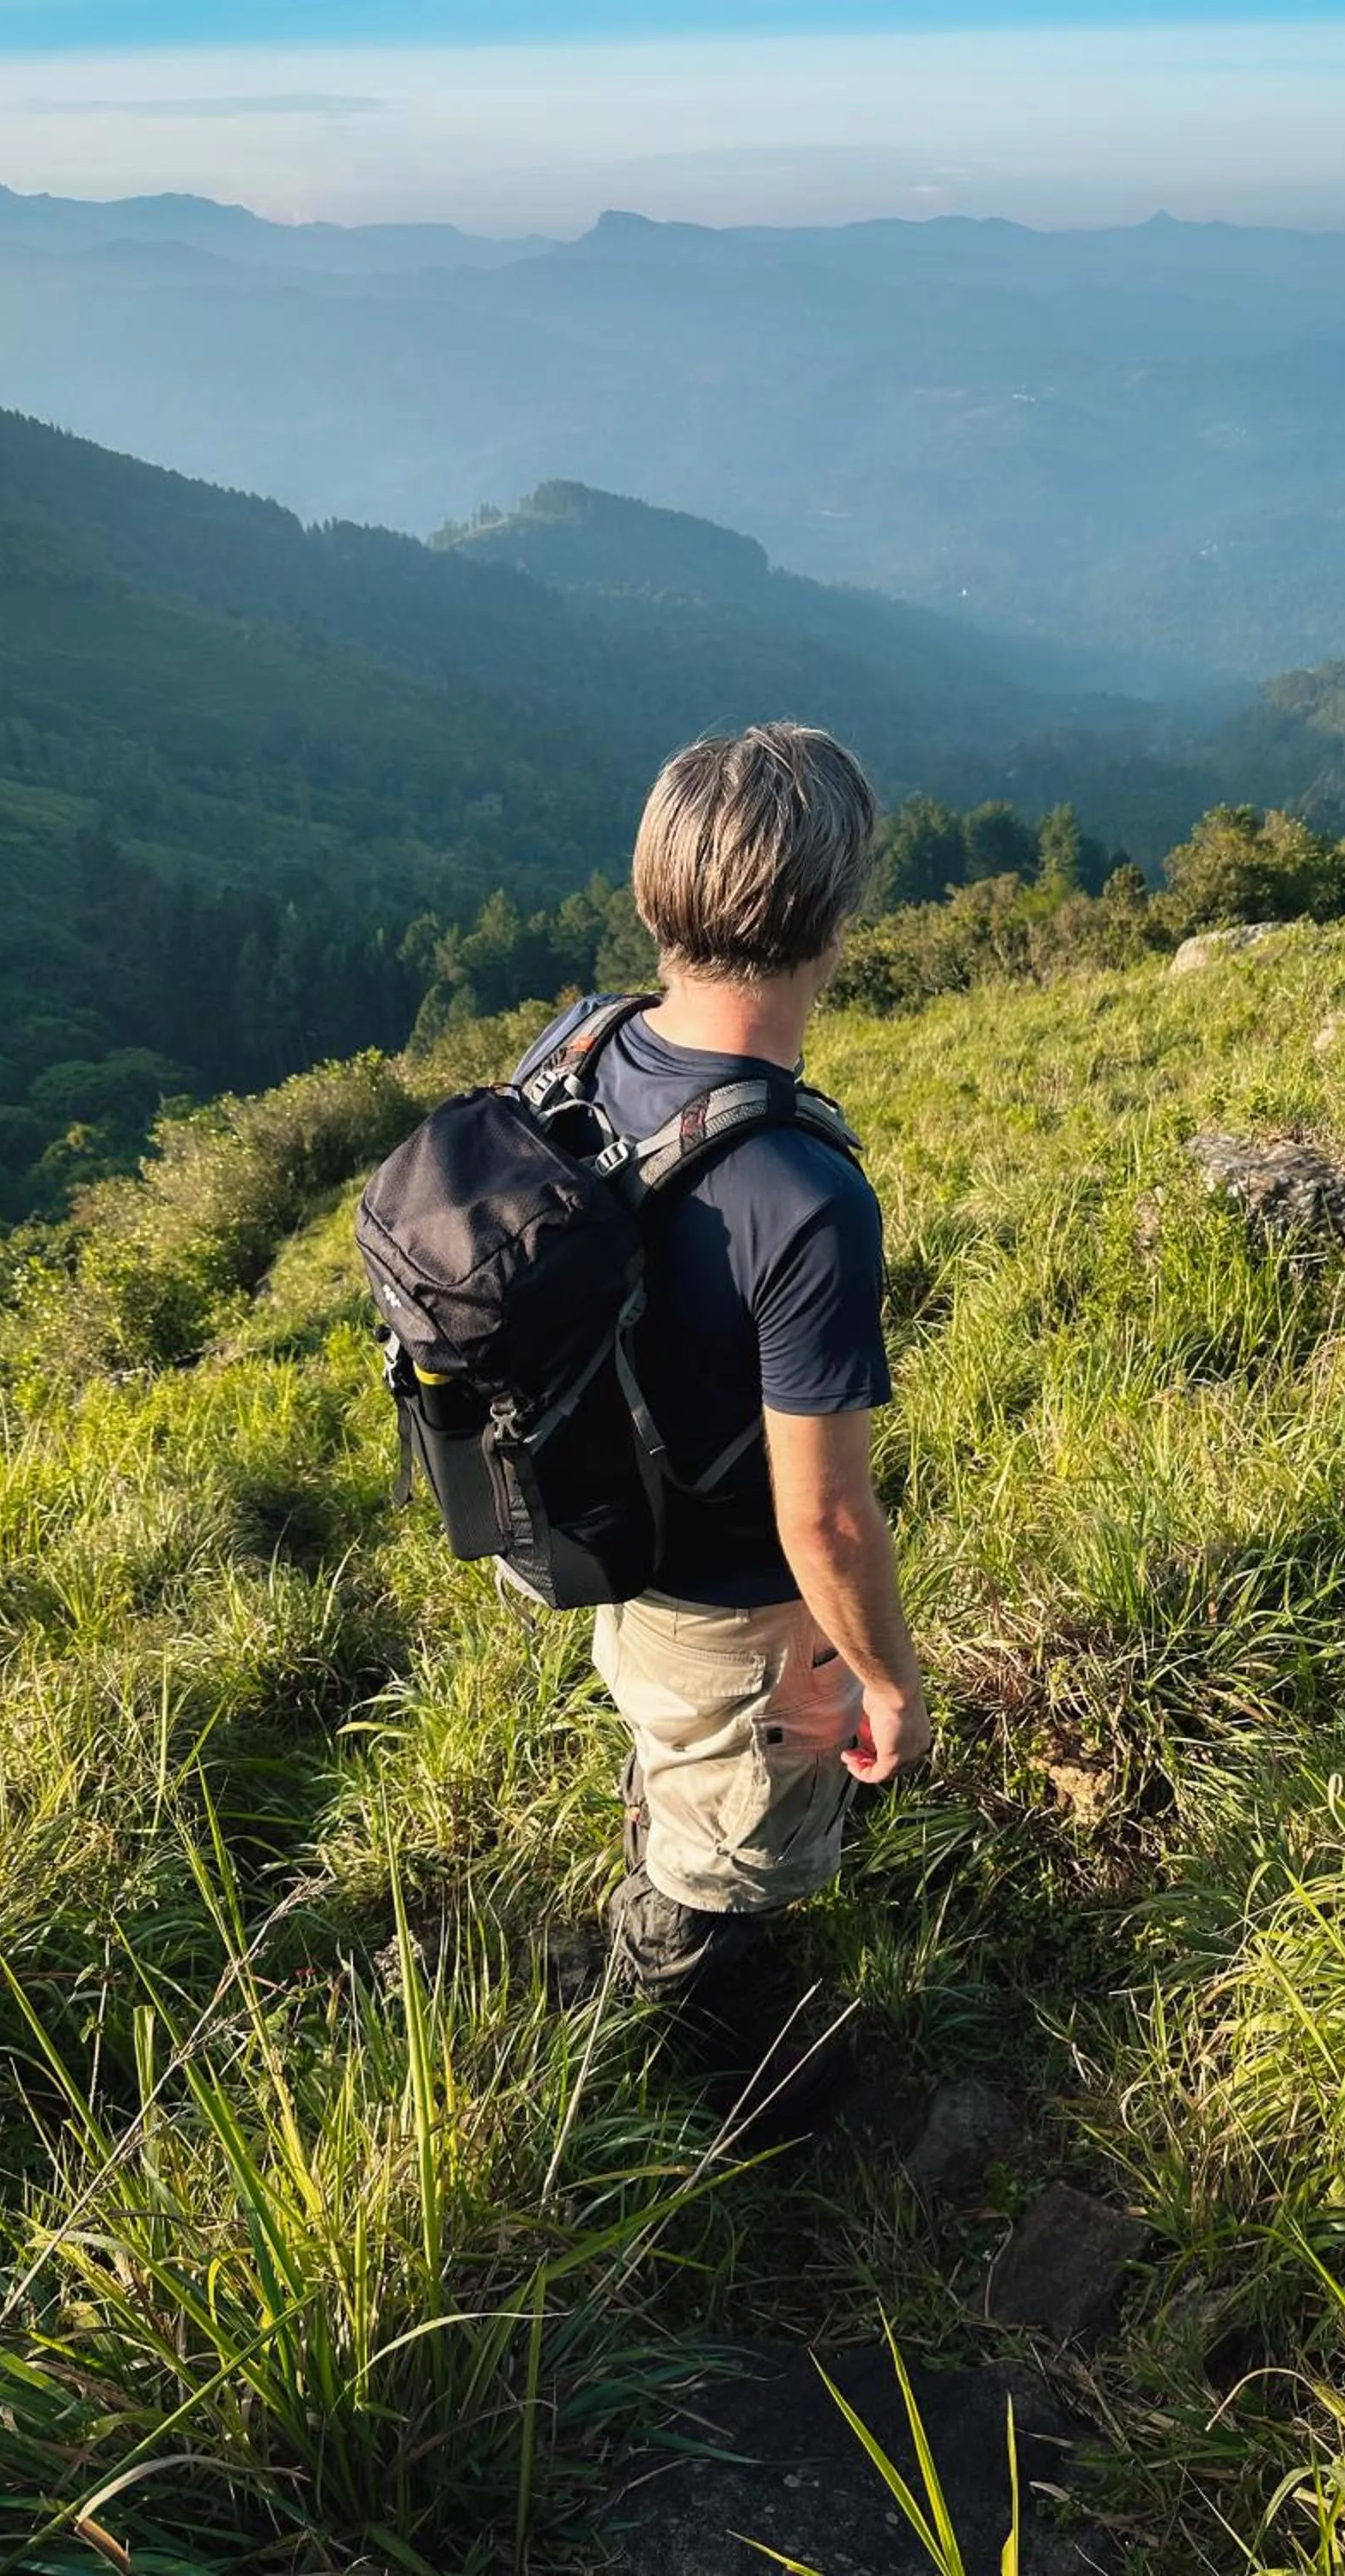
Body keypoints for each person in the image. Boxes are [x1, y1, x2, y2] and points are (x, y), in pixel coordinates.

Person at [517, 724, 930, 2073]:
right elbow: (828, 1526)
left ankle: (664, 1889)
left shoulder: (581, 1047)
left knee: (675, 1747)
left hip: (613, 1536)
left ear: (657, 894)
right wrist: (890, 1684)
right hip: (739, 1616)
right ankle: (661, 2076)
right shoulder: (802, 1198)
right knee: (722, 1873)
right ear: (834, 918)